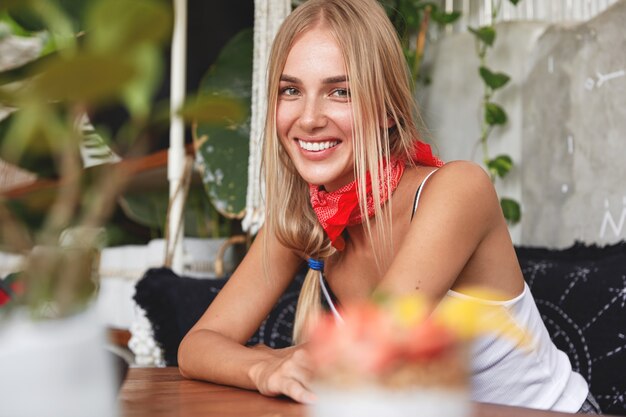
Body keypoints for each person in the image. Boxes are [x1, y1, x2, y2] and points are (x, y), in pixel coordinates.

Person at [178, 0, 600, 413]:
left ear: (385, 108)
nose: (308, 118)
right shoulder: (302, 216)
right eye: (291, 90)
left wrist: (290, 357)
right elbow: (197, 346)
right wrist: (263, 369)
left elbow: (371, 356)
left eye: (339, 91)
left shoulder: (457, 190)